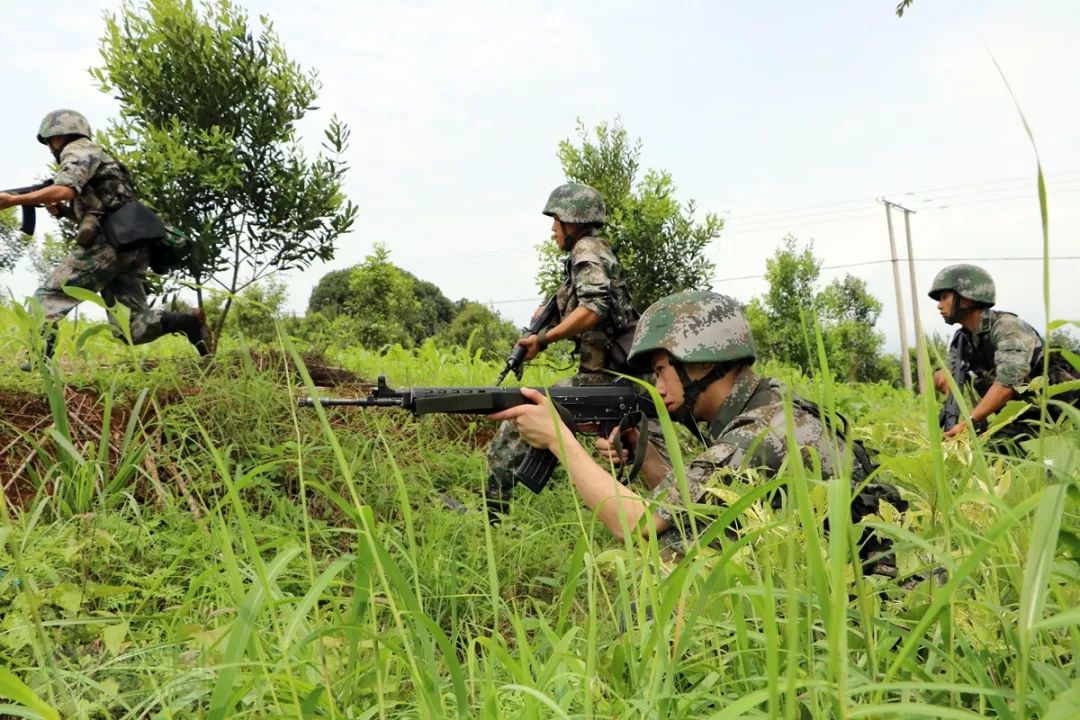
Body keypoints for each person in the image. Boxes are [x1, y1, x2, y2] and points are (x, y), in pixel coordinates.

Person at [490, 290, 903, 575]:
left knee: (676, 549)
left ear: (701, 363)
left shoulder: (759, 434)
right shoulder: (770, 404)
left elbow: (637, 525)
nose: (657, 386)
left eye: (661, 370)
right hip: (853, 574)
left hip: (876, 596)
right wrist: (644, 453)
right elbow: (695, 500)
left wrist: (558, 439)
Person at [0, 109, 211, 368]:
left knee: (48, 296)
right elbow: (103, 210)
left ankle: (38, 359)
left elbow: (64, 189)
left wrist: (13, 200)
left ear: (58, 135)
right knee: (130, 326)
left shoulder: (78, 150)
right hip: (130, 243)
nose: (51, 147)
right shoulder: (101, 157)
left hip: (107, 245)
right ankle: (187, 321)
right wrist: (64, 212)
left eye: (51, 141)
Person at [485, 182, 639, 517]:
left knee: (517, 421)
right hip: (611, 375)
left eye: (556, 220)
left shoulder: (586, 250)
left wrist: (545, 339)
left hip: (604, 377)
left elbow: (594, 307)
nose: (553, 229)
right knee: (630, 448)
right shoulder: (591, 253)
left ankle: (491, 517)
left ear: (573, 220)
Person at [929, 264, 1078, 442]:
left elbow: (1007, 384)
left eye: (944, 297)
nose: (939, 306)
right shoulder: (963, 339)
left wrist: (969, 423)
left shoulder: (1007, 326)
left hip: (1064, 414)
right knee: (993, 449)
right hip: (1024, 420)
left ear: (967, 298)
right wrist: (942, 376)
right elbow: (947, 370)